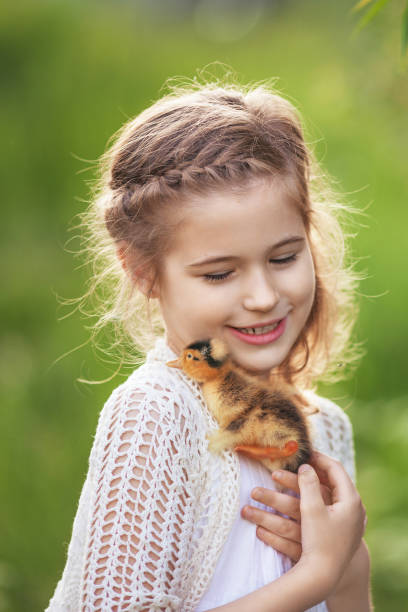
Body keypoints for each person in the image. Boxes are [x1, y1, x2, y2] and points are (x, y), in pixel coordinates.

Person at [46, 78, 372, 611]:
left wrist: (348, 572)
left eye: (284, 258)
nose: (264, 297)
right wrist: (314, 576)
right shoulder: (158, 414)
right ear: (145, 273)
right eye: (220, 274)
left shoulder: (325, 427)